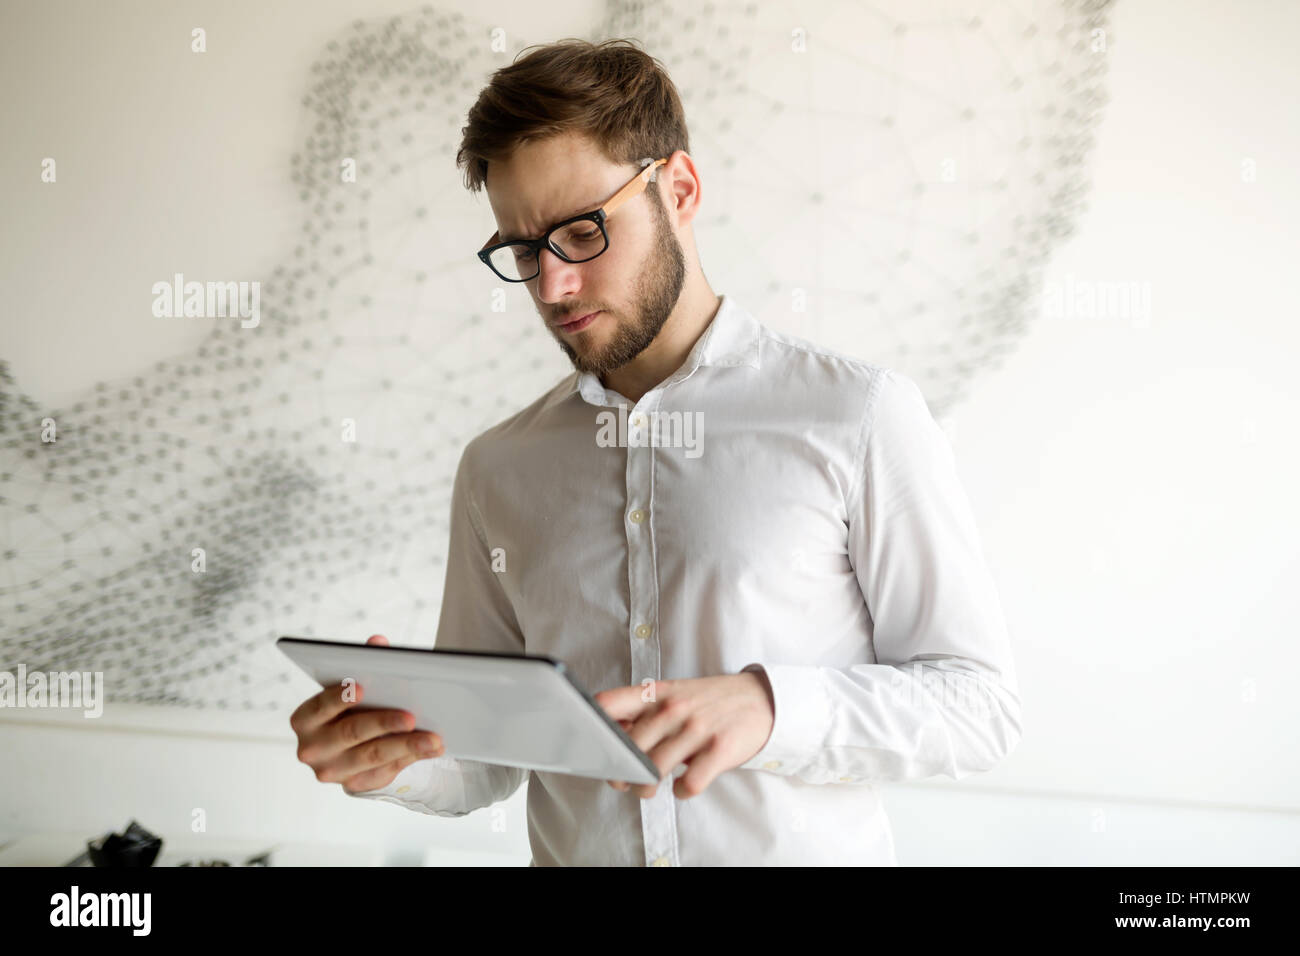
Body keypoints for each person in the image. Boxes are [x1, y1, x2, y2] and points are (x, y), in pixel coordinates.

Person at [290, 37, 1021, 866]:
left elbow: (978, 706)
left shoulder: (858, 417)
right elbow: (485, 759)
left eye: (580, 232)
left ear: (678, 189)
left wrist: (771, 708)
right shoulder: (497, 469)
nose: (552, 287)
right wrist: (388, 758)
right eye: (524, 251)